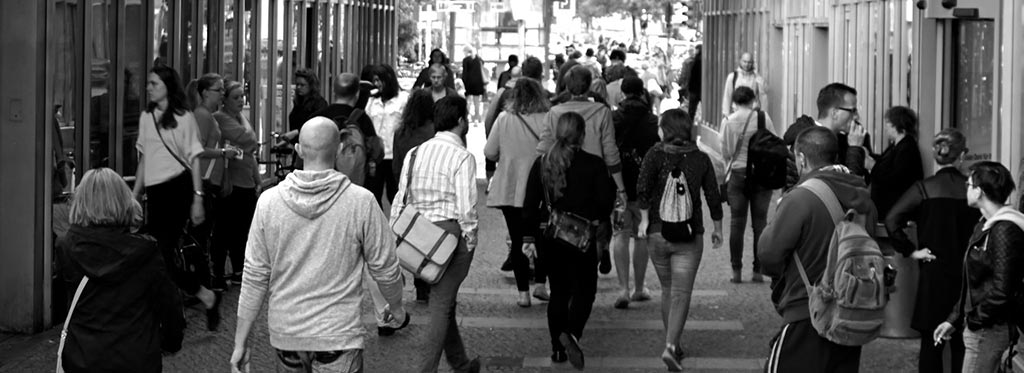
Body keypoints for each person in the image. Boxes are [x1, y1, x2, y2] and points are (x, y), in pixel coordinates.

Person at [230, 117, 408, 373]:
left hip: (287, 335)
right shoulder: (361, 202)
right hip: (339, 336)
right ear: (337, 150)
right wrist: (397, 307)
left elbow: (255, 275)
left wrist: (240, 342)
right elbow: (385, 268)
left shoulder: (269, 203)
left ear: (299, 150)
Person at [757, 126, 877, 373]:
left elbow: (768, 255)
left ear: (801, 158)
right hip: (850, 316)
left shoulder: (802, 198)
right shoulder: (864, 198)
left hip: (807, 311)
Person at [57, 168, 185, 373]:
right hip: (137, 359)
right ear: (124, 201)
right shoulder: (146, 251)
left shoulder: (66, 246)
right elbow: (169, 306)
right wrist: (170, 343)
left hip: (82, 358)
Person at [390, 96, 481, 373]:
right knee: (442, 304)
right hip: (449, 235)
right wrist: (471, 237)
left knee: (444, 300)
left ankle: (461, 363)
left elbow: (400, 196)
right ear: (462, 122)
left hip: (418, 235)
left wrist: (394, 230)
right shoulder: (462, 156)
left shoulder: (415, 152)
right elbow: (466, 207)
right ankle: (427, 369)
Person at [523, 112, 616, 370]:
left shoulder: (542, 163)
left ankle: (557, 348)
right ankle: (572, 333)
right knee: (585, 290)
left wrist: (528, 237)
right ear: (583, 135)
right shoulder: (594, 164)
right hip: (582, 239)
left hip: (550, 239)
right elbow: (604, 205)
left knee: (559, 293)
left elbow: (530, 205)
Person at [635, 109, 724, 371]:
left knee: (667, 290)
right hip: (689, 234)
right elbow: (712, 196)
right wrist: (717, 227)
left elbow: (642, 188)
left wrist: (642, 220)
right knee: (681, 293)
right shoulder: (701, 159)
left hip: (656, 234)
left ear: (665, 130)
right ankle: (672, 346)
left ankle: (672, 342)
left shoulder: (654, 154)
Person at [132, 64, 219, 330]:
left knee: (161, 253)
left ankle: (171, 315)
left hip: (178, 188)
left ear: (168, 87)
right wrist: (135, 194)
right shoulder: (147, 117)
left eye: (154, 83)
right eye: (149, 83)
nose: (149, 87)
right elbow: (145, 158)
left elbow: (194, 159)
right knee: (157, 254)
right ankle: (203, 296)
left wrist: (197, 197)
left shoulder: (184, 117)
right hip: (156, 192)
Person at [885, 128, 977, 373]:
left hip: (934, 271)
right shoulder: (973, 191)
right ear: (962, 155)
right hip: (967, 272)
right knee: (962, 343)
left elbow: (892, 219)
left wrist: (910, 251)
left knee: (930, 343)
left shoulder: (924, 188)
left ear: (937, 155)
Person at [933, 161, 1024, 373]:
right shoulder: (985, 225)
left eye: (969, 184)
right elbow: (972, 281)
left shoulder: (1004, 230)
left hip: (989, 331)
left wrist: (974, 320)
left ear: (979, 191)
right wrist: (954, 319)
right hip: (984, 328)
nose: (966, 188)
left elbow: (1003, 290)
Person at [537, 65, 627, 276]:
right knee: (599, 217)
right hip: (595, 175)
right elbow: (610, 149)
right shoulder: (602, 112)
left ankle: (568, 268)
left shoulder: (554, 112)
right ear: (589, 86)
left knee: (564, 218)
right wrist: (620, 186)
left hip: (561, 172)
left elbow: (542, 148)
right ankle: (600, 249)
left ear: (567, 86)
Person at [485, 78, 552, 308]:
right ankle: (542, 285)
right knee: (542, 238)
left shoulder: (504, 119)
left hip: (511, 188)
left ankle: (523, 292)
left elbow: (490, 151)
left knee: (516, 239)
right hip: (541, 189)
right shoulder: (548, 118)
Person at [609, 76, 661, 309]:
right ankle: (639, 288)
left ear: (622, 93)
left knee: (620, 234)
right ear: (642, 93)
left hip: (619, 185)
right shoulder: (652, 120)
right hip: (644, 188)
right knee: (641, 236)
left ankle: (622, 288)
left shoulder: (614, 118)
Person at [720, 86, 778, 283]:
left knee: (737, 222)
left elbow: (726, 151)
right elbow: (774, 141)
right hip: (761, 174)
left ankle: (736, 271)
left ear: (734, 102)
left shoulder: (728, 122)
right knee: (760, 223)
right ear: (754, 100)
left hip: (738, 173)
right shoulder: (763, 118)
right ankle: (758, 271)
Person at [186, 73, 234, 291]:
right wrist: (223, 152)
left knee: (205, 232)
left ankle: (203, 279)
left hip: (210, 180)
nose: (222, 93)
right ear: (205, 93)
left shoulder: (208, 115)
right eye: (219, 89)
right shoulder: (202, 116)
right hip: (203, 180)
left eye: (223, 89)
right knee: (201, 233)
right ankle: (201, 281)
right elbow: (197, 149)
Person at [212, 80, 262, 287]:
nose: (241, 101)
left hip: (247, 179)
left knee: (243, 229)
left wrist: (258, 179)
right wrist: (250, 142)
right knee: (226, 228)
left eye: (243, 96)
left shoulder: (240, 118)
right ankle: (220, 271)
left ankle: (238, 268)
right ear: (224, 100)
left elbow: (250, 147)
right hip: (232, 182)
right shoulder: (221, 118)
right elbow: (249, 139)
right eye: (236, 97)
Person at [391, 88, 437, 304]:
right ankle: (426, 282)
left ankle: (418, 281)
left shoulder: (401, 132)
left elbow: (396, 166)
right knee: (430, 238)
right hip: (431, 190)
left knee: (413, 237)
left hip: (409, 190)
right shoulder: (434, 131)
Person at [311, 72, 379, 187]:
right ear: (357, 94)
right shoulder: (362, 119)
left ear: (334, 92)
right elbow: (376, 151)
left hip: (323, 182)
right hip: (354, 184)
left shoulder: (319, 118)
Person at [365, 64, 409, 207]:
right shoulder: (371, 101)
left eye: (379, 80)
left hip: (394, 155)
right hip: (376, 156)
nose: (376, 84)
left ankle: (399, 226)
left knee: (395, 194)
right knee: (373, 194)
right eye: (374, 81)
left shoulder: (402, 99)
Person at [869, 106, 923, 218]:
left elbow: (895, 177)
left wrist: (872, 165)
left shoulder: (907, 148)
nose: (886, 128)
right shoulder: (898, 146)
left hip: (894, 208)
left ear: (897, 124)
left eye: (888, 123)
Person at [815, 83, 872, 178]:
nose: (856, 116)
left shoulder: (843, 140)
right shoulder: (809, 143)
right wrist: (855, 149)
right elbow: (845, 187)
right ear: (834, 113)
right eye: (852, 111)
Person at [720, 53, 768, 119]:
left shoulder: (756, 78)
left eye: (749, 62)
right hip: (736, 113)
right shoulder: (733, 77)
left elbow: (763, 94)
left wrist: (764, 114)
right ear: (740, 61)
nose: (747, 64)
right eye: (744, 61)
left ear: (753, 63)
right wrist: (726, 114)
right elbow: (727, 96)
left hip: (753, 114)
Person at [288, 68, 328, 133]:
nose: (298, 87)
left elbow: (316, 127)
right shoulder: (299, 103)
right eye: (297, 84)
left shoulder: (319, 104)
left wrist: (295, 132)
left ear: (311, 86)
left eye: (302, 85)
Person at [461, 46, 486, 123]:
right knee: (476, 101)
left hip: (469, 83)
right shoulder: (478, 59)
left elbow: (464, 73)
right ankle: (477, 117)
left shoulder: (465, 60)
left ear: (466, 51)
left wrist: (463, 82)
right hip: (478, 83)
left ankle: (467, 116)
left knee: (468, 100)